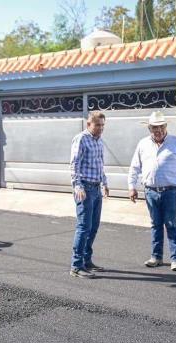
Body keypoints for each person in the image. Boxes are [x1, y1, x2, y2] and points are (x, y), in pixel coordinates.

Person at [128, 111, 176, 272]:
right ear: (149, 128)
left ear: (165, 127)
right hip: (150, 191)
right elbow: (135, 166)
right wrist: (132, 186)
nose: (158, 130)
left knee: (171, 224)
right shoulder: (143, 144)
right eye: (154, 128)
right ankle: (156, 257)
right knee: (155, 224)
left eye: (161, 127)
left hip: (170, 191)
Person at [69, 111, 109, 279]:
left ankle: (87, 260)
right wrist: (77, 186)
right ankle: (76, 266)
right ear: (88, 125)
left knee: (93, 226)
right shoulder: (81, 139)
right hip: (84, 188)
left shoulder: (99, 141)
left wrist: (105, 183)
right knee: (84, 227)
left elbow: (100, 165)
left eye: (102, 125)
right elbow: (74, 164)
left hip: (96, 188)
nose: (100, 128)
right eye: (97, 125)